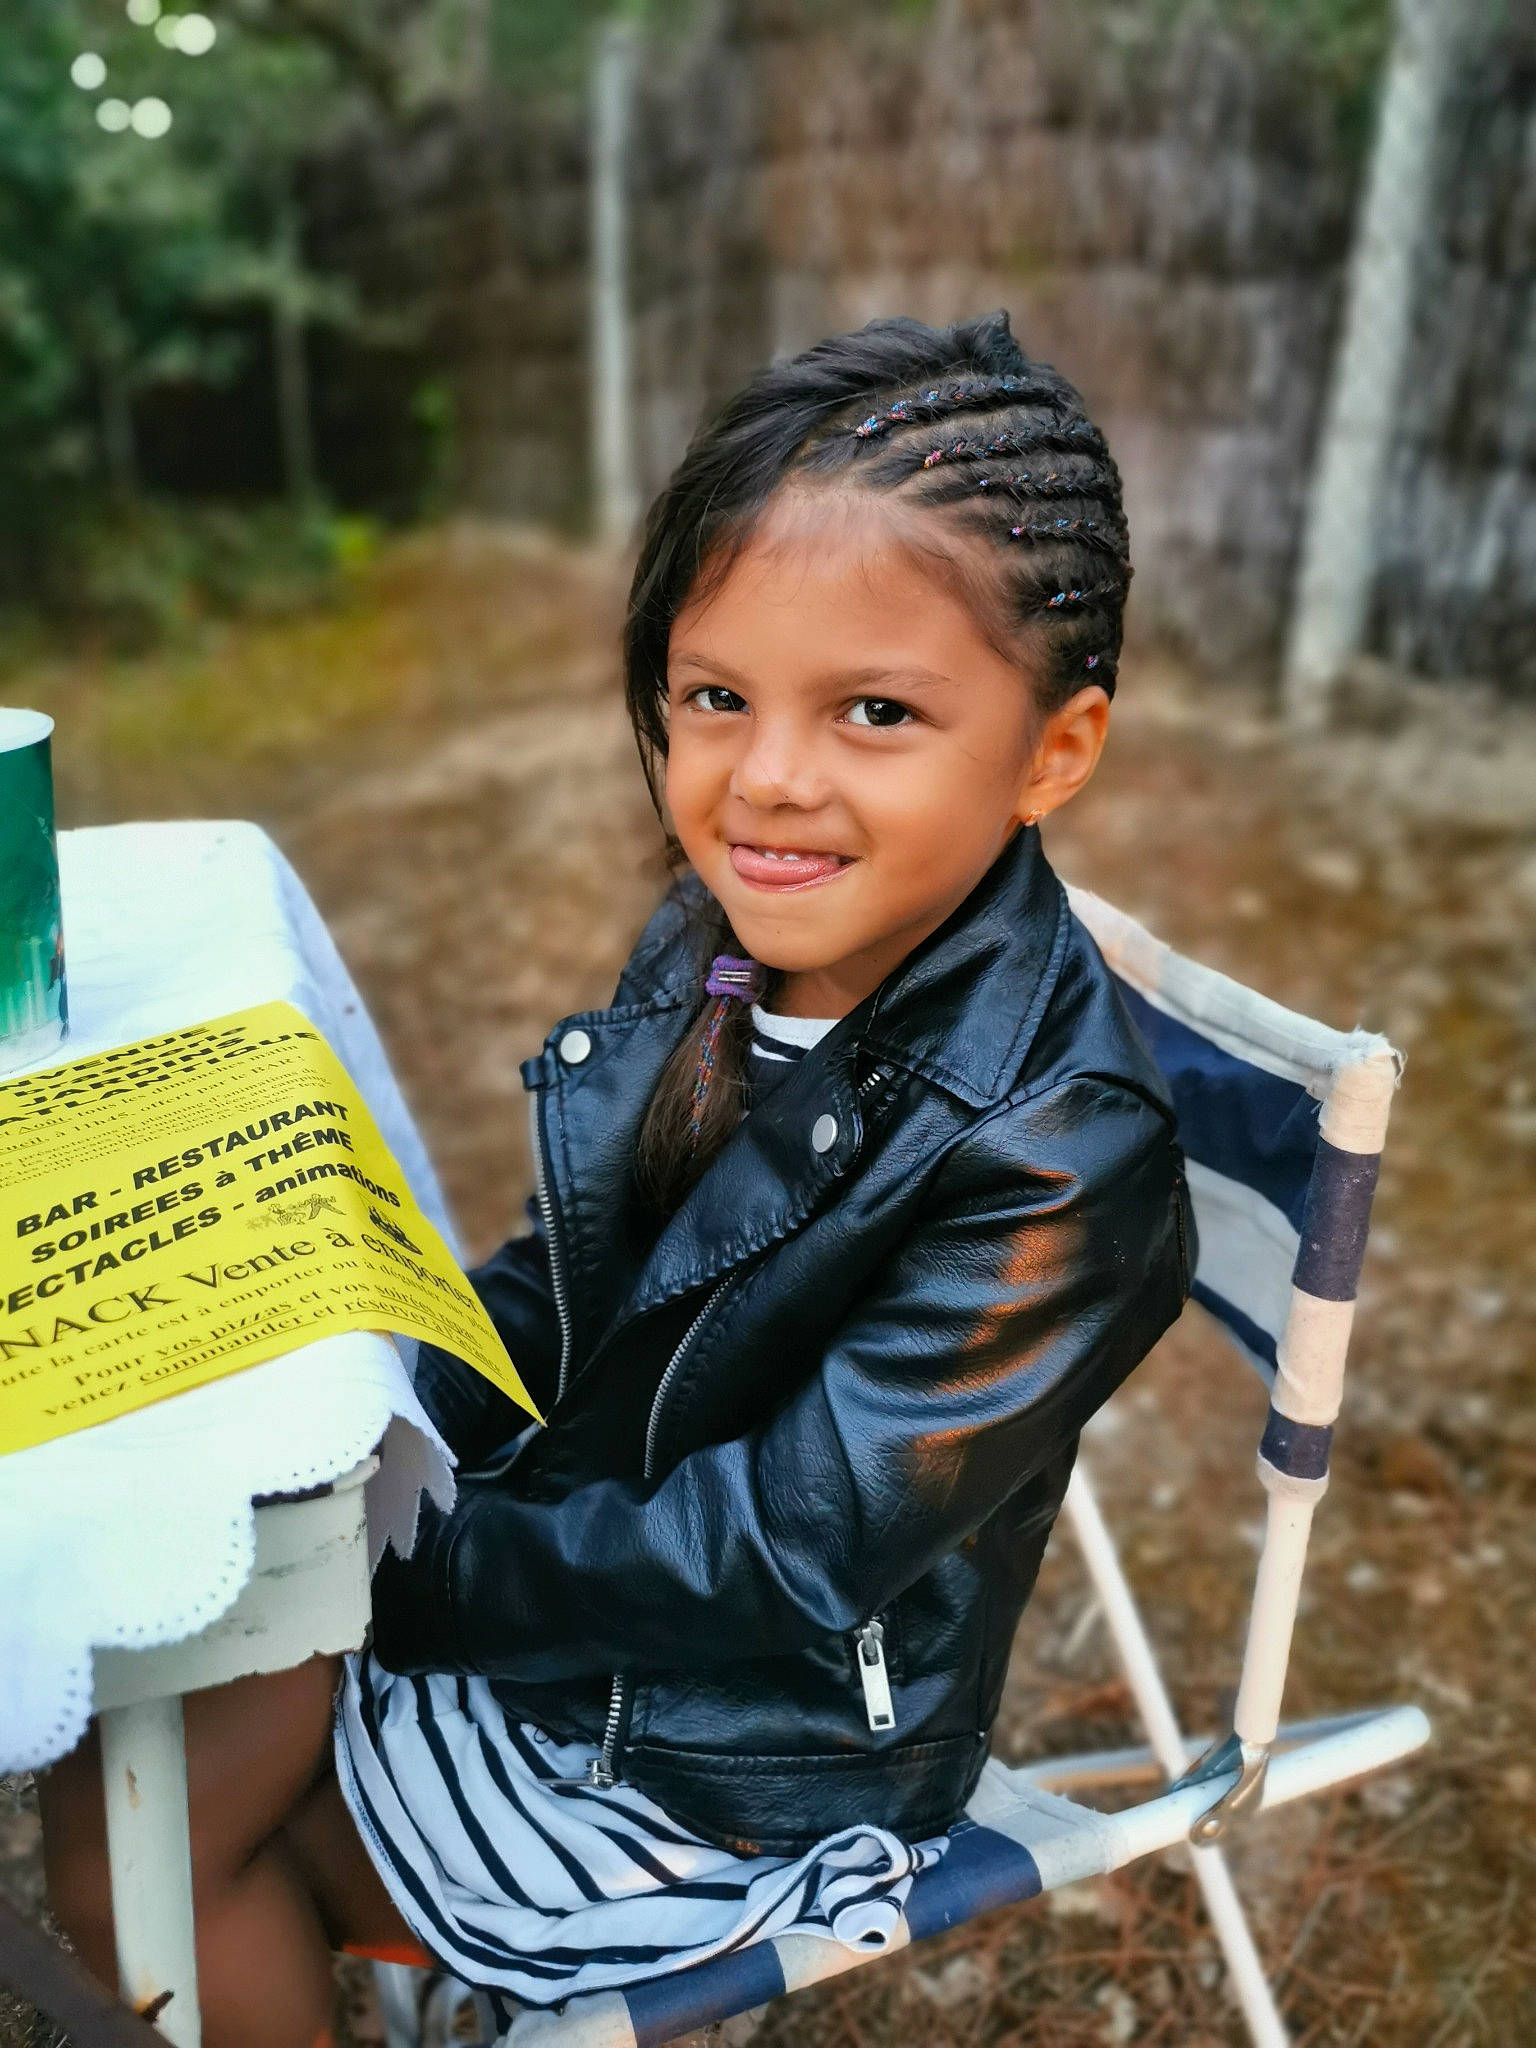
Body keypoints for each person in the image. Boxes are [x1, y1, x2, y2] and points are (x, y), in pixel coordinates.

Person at [40, 309, 1194, 2046]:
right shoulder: (734, 933)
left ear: (1054, 751)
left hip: (730, 1762)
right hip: (580, 1592)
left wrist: (411, 1571)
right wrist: (370, 1415)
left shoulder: (1058, 1154)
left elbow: (780, 1557)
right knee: (120, 1769)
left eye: (875, 710)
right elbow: (569, 1280)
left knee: (147, 1869)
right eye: (716, 698)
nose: (769, 779)